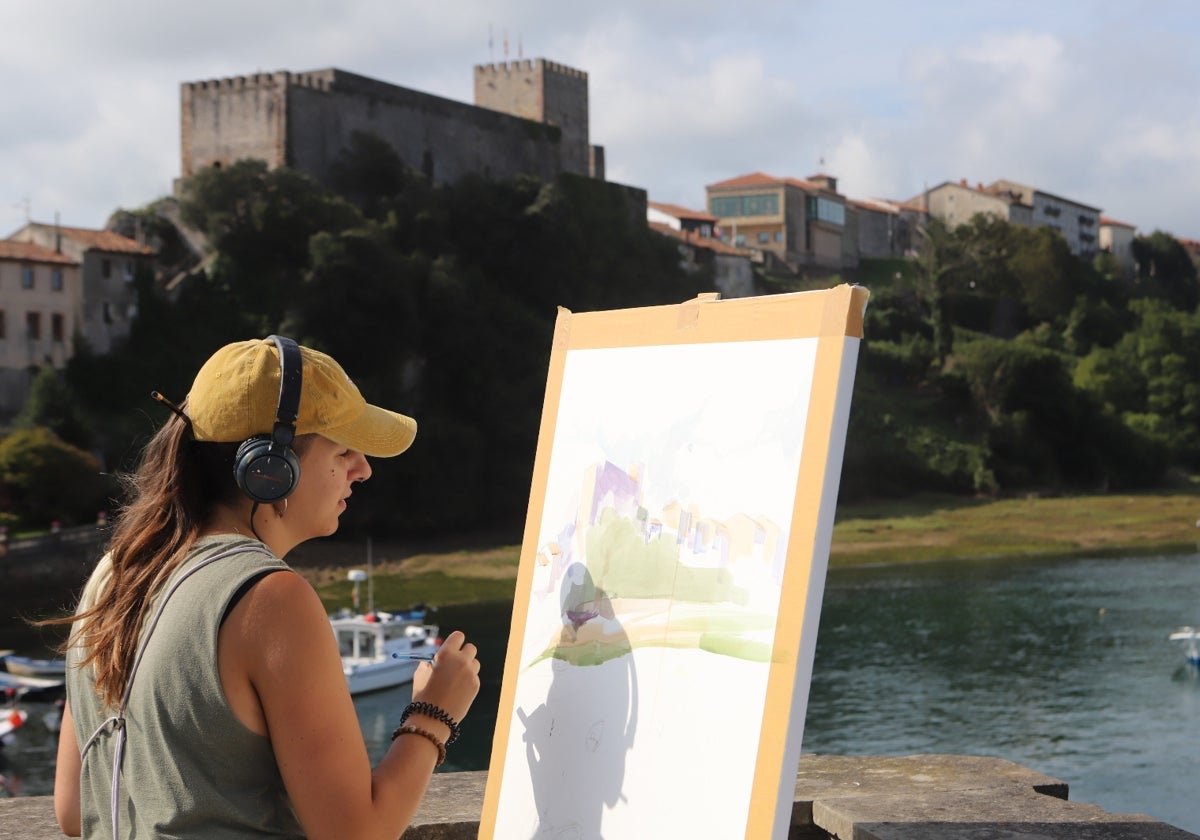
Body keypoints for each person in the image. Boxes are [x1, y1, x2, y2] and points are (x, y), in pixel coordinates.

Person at [52, 336, 481, 839]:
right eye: (343, 451)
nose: (362, 469)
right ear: (271, 471)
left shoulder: (112, 575)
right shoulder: (270, 599)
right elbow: (356, 833)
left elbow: (74, 810)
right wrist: (433, 713)